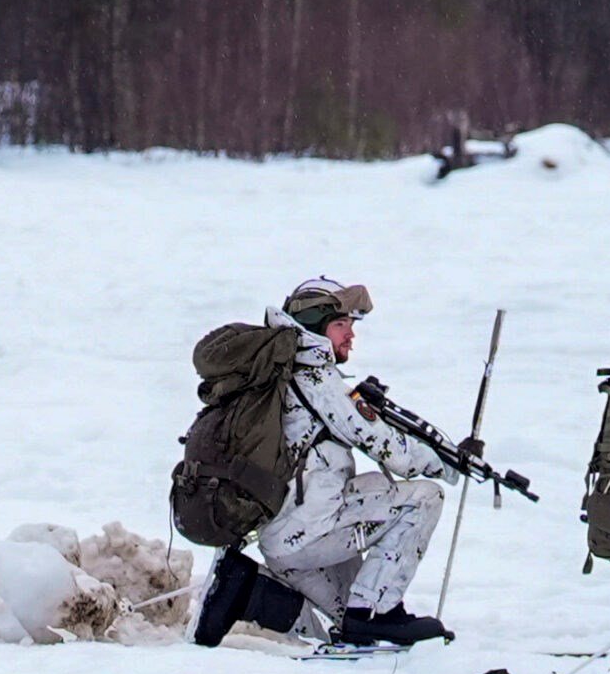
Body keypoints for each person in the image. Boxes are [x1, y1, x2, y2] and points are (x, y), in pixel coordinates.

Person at [196, 278, 463, 648]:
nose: (350, 335)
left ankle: (243, 589)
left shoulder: (288, 372)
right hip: (310, 535)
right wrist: (450, 464)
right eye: (341, 325)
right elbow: (383, 444)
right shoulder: (316, 376)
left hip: (285, 544)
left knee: (351, 629)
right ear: (316, 327)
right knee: (424, 497)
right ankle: (377, 614)